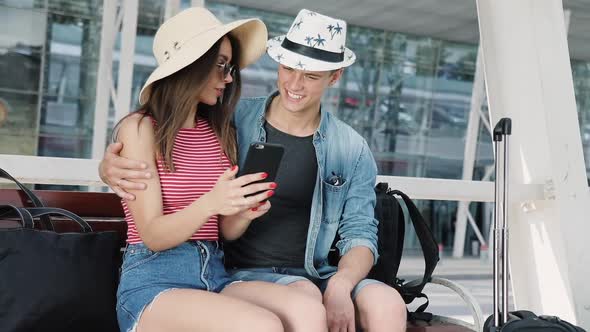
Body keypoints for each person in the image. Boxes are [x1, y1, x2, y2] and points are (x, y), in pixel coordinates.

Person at [101, 8, 406, 332]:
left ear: (334, 77)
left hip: (223, 272)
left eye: (311, 75)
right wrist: (107, 167)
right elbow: (153, 230)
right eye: (288, 68)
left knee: (326, 306)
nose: (229, 78)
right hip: (168, 274)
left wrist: (245, 209)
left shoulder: (218, 129)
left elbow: (358, 233)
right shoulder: (213, 123)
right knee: (268, 322)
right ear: (192, 65)